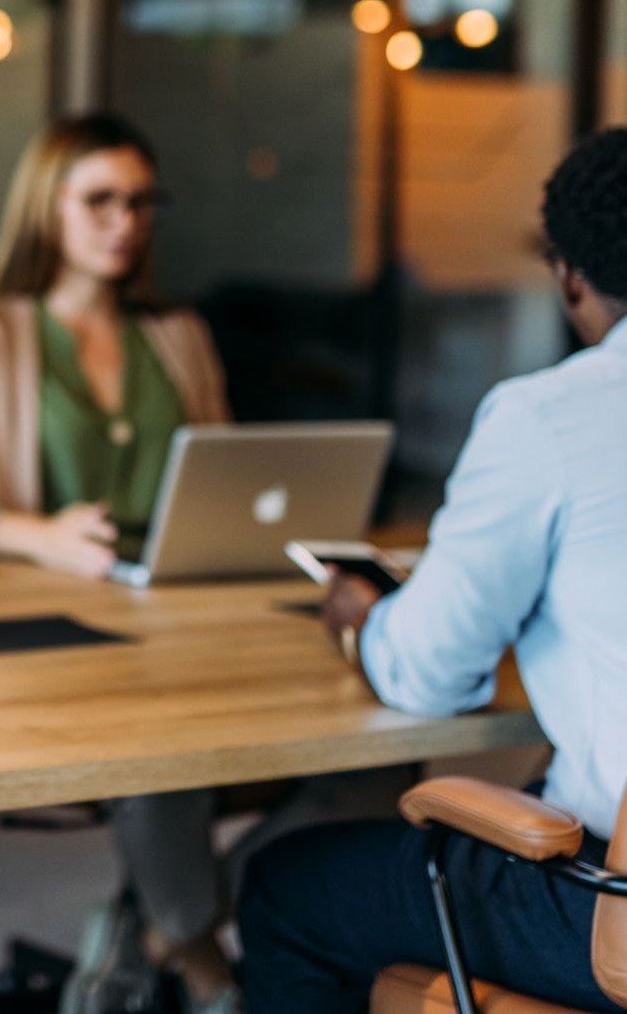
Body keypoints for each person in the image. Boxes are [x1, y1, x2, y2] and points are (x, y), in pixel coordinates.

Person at [237, 127, 627, 1013]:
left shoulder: (550, 417)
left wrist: (369, 618)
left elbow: (430, 672)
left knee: (287, 890)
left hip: (615, 908)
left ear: (569, 276)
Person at [0, 113, 243, 1014]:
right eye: (100, 200)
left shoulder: (180, 337)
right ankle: (197, 944)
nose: (124, 222)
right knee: (160, 735)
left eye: (140, 203)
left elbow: (228, 480)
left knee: (376, 732)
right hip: (60, 629)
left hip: (180, 607)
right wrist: (39, 534)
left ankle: (171, 918)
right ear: (47, 209)